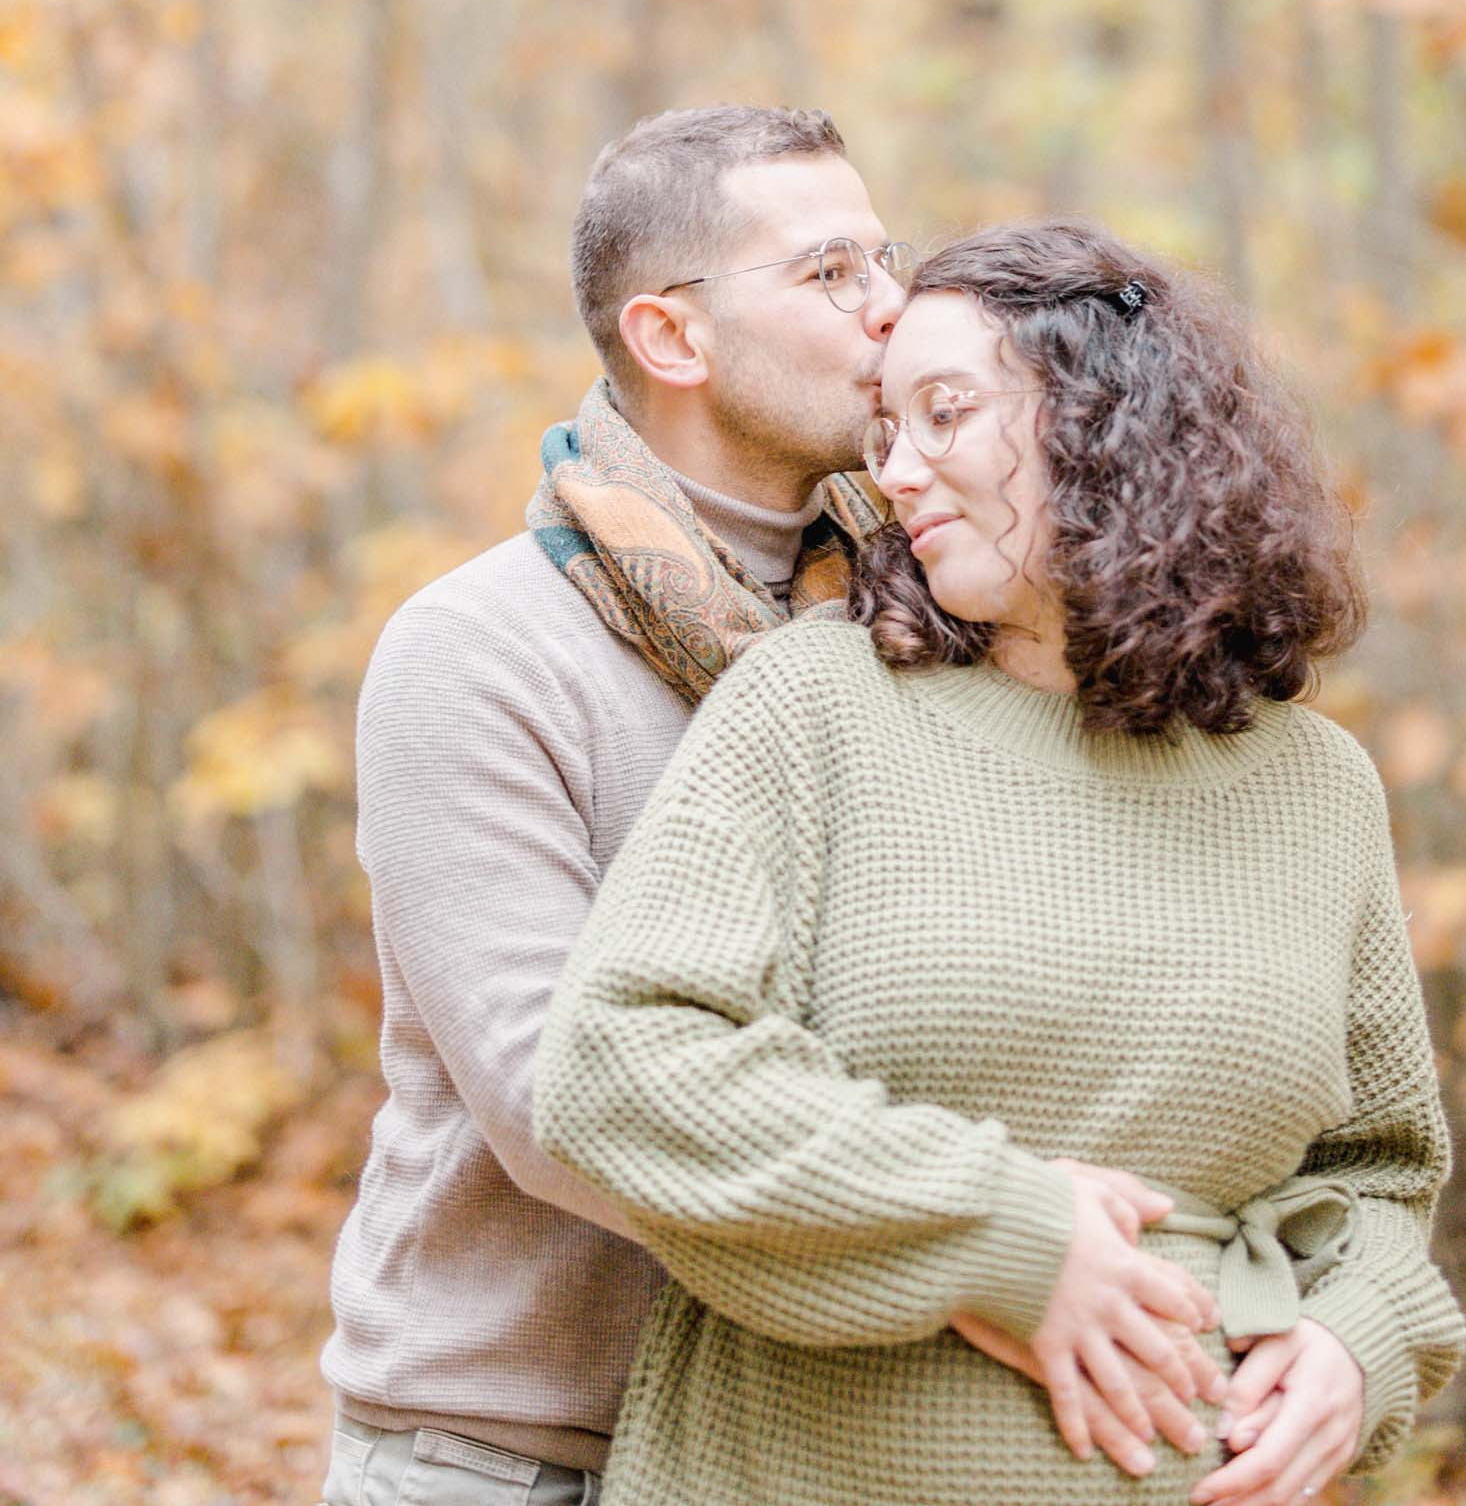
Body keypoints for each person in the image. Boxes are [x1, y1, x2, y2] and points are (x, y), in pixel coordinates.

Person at [320, 112, 1209, 1506]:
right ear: (673, 338)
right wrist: (983, 1235)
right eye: (830, 272)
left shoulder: (936, 607)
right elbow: (560, 1101)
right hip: (520, 1449)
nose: (892, 307)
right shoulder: (480, 652)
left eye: (886, 258)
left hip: (844, 1440)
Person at [535, 219, 1466, 1506]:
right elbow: (621, 1061)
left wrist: (1362, 1337)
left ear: (1108, 422)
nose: (896, 472)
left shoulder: (1317, 786)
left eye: (946, 413)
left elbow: (1380, 1170)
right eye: (885, 428)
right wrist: (1006, 1232)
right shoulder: (817, 706)